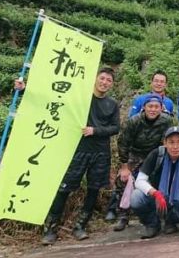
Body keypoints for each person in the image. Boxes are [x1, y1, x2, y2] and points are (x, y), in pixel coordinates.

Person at [17, 67, 120, 245]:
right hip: (77, 149)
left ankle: (80, 226)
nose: (104, 82)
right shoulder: (80, 97)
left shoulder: (112, 104)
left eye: (108, 80)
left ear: (112, 84)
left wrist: (95, 130)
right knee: (65, 188)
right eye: (102, 78)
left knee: (94, 189)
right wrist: (25, 89)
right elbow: (52, 99)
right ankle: (51, 229)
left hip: (101, 151)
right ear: (95, 79)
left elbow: (115, 128)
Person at [107, 94, 173, 230]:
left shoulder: (166, 121)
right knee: (123, 179)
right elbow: (123, 143)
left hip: (156, 154)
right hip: (135, 154)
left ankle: (166, 214)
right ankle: (123, 215)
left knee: (165, 175)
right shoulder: (134, 121)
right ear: (144, 107)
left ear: (161, 109)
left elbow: (167, 142)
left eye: (156, 107)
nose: (153, 110)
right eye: (150, 106)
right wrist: (124, 166)